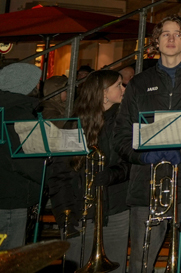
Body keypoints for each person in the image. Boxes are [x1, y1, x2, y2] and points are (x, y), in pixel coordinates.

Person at [115, 15, 181, 273]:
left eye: (178, 34)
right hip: (146, 185)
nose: (172, 39)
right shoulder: (139, 83)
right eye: (166, 34)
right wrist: (143, 157)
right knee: (140, 263)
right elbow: (120, 135)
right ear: (156, 42)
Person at [48, 70, 131, 273]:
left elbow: (132, 161)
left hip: (115, 210)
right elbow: (60, 173)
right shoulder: (74, 124)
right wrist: (65, 215)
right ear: (103, 93)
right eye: (119, 85)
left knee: (115, 265)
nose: (124, 89)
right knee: (75, 264)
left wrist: (112, 174)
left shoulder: (125, 121)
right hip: (79, 210)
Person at [0, 63, 53, 247]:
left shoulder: (4, 109)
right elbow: (27, 161)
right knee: (10, 257)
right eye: (37, 82)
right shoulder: (20, 115)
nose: (40, 86)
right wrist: (52, 176)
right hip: (12, 197)